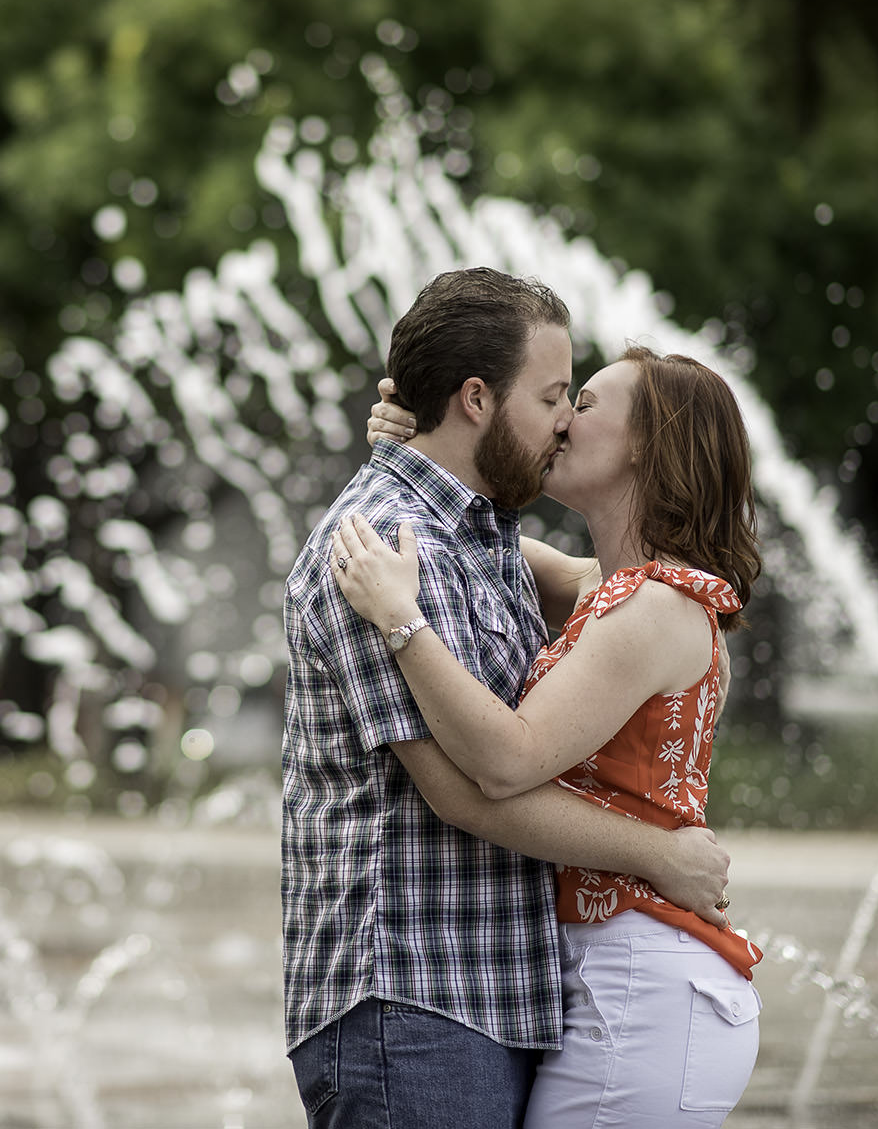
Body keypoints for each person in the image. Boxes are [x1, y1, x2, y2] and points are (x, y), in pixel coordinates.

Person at [281, 268, 732, 1129]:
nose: (565, 419)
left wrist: (412, 437)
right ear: (479, 399)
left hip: (492, 995)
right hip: (412, 998)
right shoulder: (383, 552)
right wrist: (659, 853)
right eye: (556, 394)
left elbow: (626, 585)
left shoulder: (487, 534)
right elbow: (467, 785)